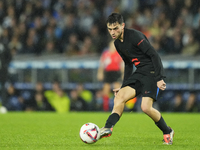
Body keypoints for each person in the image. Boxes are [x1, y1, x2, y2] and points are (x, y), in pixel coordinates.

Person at [100, 13, 174, 145]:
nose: (112, 32)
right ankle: (108, 127)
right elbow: (128, 64)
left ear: (123, 26)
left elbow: (154, 55)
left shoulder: (135, 36)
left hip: (151, 72)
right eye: (110, 29)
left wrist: (159, 78)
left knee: (145, 107)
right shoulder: (117, 43)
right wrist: (124, 86)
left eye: (115, 28)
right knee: (120, 96)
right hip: (139, 72)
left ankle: (167, 131)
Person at [97, 40, 123, 111]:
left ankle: (117, 107)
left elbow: (122, 65)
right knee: (106, 89)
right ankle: (106, 108)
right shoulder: (106, 54)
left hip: (116, 73)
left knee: (117, 89)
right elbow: (101, 64)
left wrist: (123, 74)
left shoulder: (118, 54)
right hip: (108, 72)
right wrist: (100, 73)